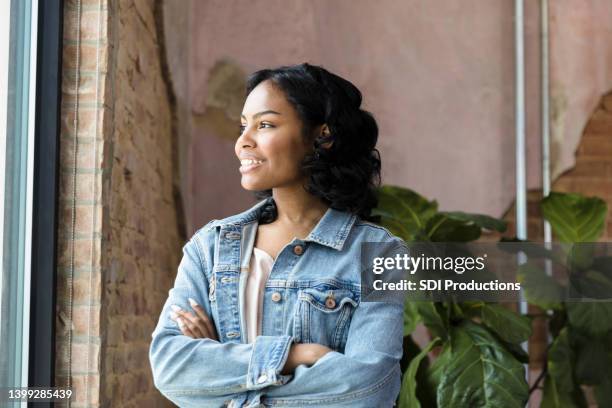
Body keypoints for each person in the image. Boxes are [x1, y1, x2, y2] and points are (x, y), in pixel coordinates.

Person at [149, 63, 408, 407]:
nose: (243, 141)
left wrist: (225, 376)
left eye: (265, 124)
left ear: (322, 136)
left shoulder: (378, 254)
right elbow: (171, 368)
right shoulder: (209, 248)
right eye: (244, 126)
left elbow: (368, 389)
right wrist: (295, 355)